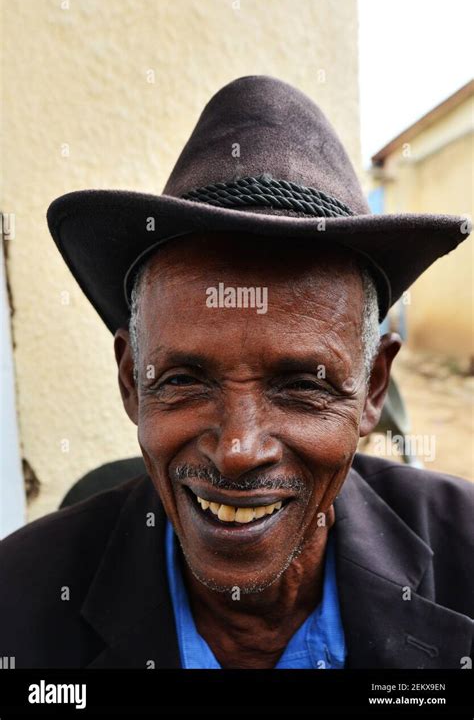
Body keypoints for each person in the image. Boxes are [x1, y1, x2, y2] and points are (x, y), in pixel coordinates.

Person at [1, 75, 472, 668]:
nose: (239, 450)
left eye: (303, 385)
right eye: (184, 380)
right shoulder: (17, 604)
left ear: (373, 387)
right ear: (130, 381)